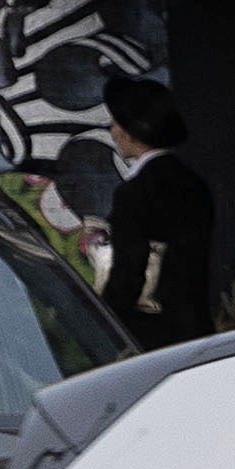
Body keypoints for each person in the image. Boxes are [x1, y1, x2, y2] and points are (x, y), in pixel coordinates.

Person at [94, 75, 220, 345]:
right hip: (197, 328)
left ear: (129, 131)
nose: (112, 130)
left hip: (150, 334)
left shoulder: (134, 192)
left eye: (116, 122)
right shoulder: (196, 185)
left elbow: (129, 273)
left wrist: (101, 324)